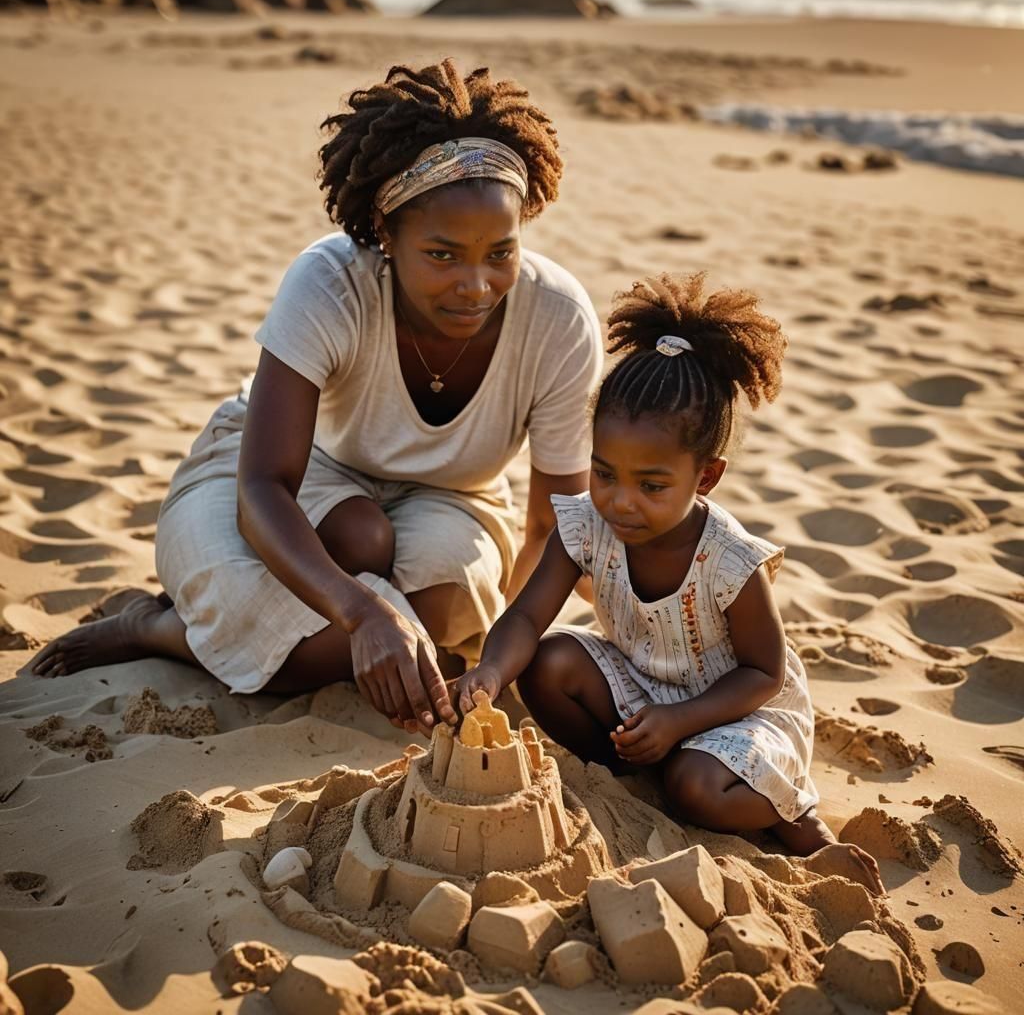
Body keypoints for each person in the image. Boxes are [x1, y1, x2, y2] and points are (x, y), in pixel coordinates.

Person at [24, 60, 602, 736]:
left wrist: (502, 651)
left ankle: (235, 627)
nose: (476, 285)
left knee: (444, 612)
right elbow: (262, 487)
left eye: (500, 253)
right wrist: (361, 613)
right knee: (349, 556)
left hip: (452, 497)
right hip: (279, 474)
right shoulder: (329, 283)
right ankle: (153, 628)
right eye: (443, 255)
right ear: (386, 234)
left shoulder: (557, 318)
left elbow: (554, 527)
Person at [454, 272, 883, 892]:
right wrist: (490, 672)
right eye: (604, 473)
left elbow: (764, 675)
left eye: (652, 485)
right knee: (546, 663)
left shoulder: (730, 561)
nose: (620, 501)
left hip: (737, 713)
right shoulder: (587, 524)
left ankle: (794, 817)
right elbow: (525, 617)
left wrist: (681, 722)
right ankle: (631, 770)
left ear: (705, 478)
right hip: (644, 687)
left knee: (696, 787)